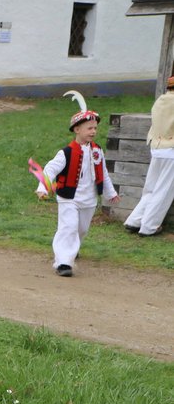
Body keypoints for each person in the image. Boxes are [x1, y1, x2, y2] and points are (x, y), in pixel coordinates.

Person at [36, 91, 120, 277]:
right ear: (77, 129)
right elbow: (49, 170)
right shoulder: (66, 153)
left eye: (95, 128)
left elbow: (103, 173)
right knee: (68, 227)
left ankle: (72, 248)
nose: (93, 132)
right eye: (89, 128)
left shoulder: (98, 151)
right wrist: (42, 187)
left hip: (89, 199)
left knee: (82, 229)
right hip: (68, 197)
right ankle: (63, 262)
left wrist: (110, 193)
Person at [123, 76, 174, 237]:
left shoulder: (161, 100)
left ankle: (134, 220)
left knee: (150, 189)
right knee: (163, 191)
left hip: (156, 147)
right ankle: (149, 226)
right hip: (171, 149)